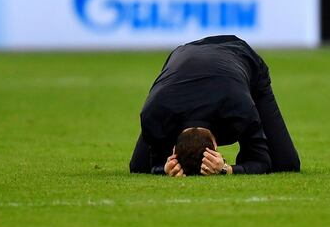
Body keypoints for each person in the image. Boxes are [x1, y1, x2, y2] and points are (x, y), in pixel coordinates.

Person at [129, 35, 300, 177]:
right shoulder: (154, 113)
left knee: (287, 163)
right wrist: (164, 168)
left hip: (240, 56)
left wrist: (227, 169)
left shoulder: (239, 107)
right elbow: (148, 166)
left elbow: (262, 161)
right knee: (138, 166)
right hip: (183, 59)